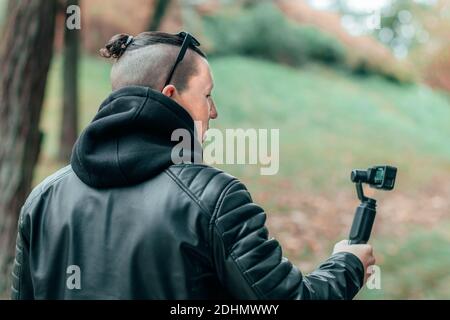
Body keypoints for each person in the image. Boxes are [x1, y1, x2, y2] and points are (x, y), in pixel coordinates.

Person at [11, 31, 375, 299]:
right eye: (206, 95)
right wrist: (348, 263)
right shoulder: (214, 198)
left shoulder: (42, 198)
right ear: (172, 96)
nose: (213, 111)